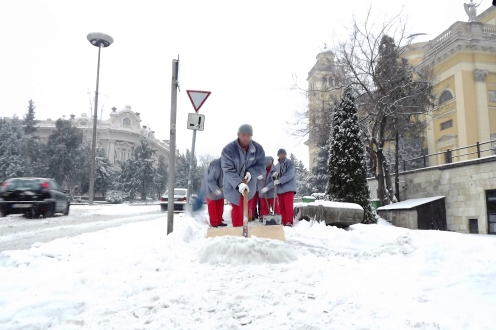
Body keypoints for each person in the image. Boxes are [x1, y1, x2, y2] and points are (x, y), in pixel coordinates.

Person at [221, 124, 265, 227]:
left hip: (249, 186)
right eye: (243, 135)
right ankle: (238, 232)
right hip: (233, 186)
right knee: (238, 207)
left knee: (246, 209)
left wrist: (251, 172)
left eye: (248, 135)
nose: (246, 138)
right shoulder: (229, 149)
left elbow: (261, 166)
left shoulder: (257, 149)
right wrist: (239, 184)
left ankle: (243, 231)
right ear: (239, 135)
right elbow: (228, 169)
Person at [266, 149, 296, 226]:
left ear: (285, 154)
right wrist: (274, 176)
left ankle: (289, 221)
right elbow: (272, 175)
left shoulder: (289, 163)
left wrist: (279, 180)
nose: (281, 155)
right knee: (281, 206)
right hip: (280, 190)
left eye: (282, 154)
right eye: (280, 154)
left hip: (289, 188)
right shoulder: (277, 166)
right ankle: (283, 221)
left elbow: (290, 174)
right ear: (278, 155)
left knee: (288, 206)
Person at [200, 158, 226, 227]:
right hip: (210, 188)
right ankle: (214, 223)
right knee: (213, 206)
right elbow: (210, 180)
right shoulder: (216, 164)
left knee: (220, 204)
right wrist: (216, 190)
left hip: (219, 188)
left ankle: (219, 221)